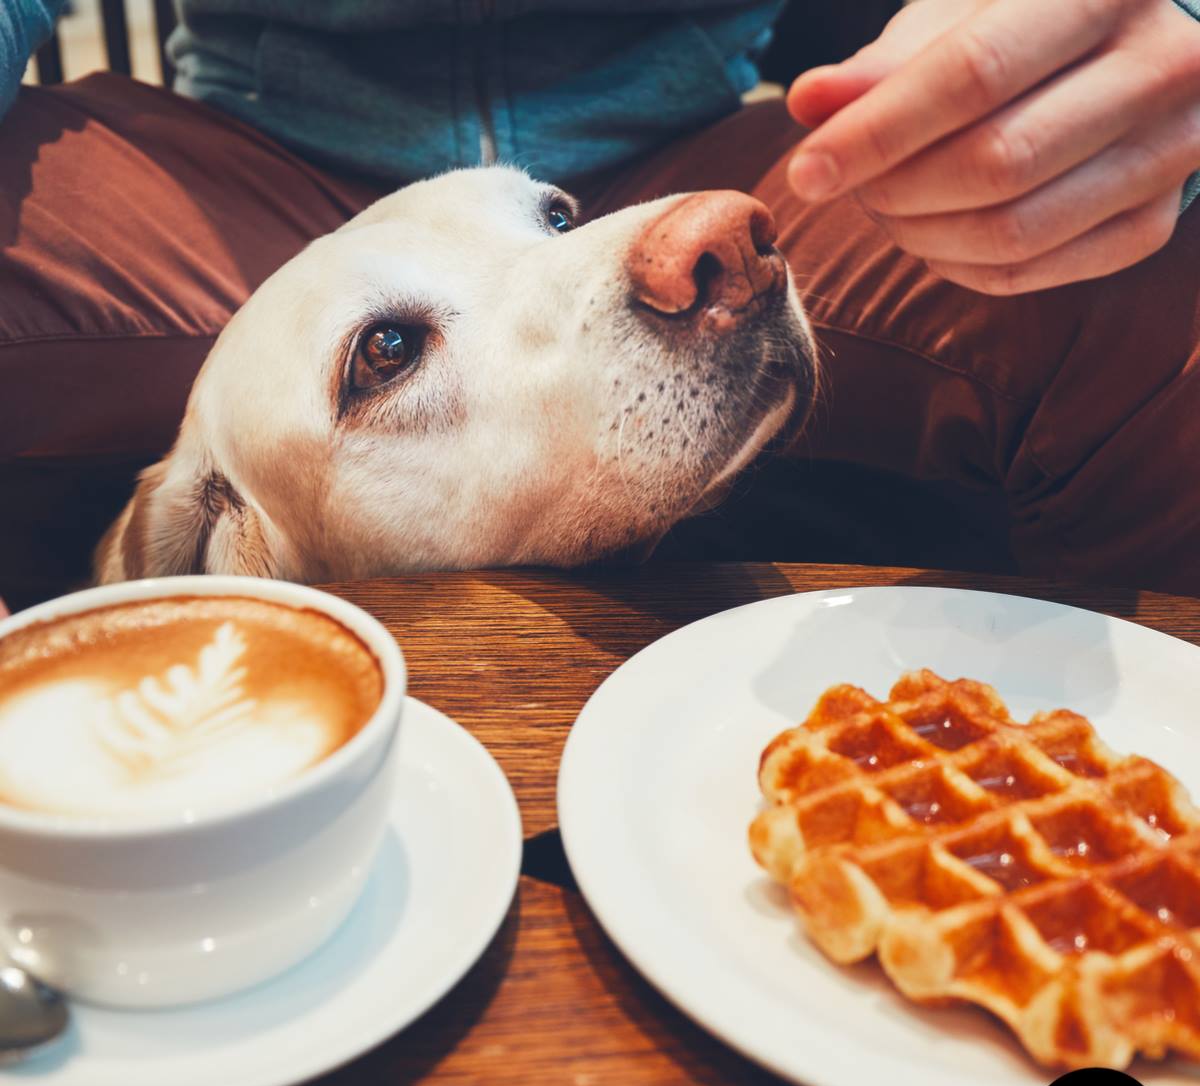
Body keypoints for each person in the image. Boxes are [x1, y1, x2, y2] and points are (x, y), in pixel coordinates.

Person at [1, 0, 1199, 610]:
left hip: (676, 130)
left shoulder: (671, 234)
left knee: (1114, 254)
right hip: (247, 149)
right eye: (390, 350)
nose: (703, 257)